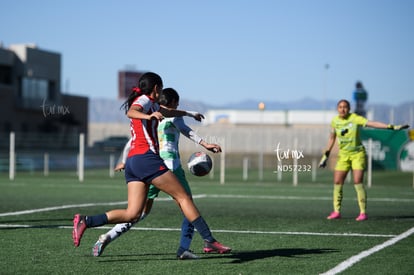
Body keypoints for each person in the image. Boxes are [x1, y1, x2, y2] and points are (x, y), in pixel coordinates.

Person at [72, 72, 231, 256]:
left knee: (133, 214)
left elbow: (170, 112)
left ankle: (86, 221)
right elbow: (131, 111)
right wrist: (149, 117)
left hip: (133, 163)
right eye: (161, 88)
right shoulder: (145, 100)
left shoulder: (153, 104)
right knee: (184, 198)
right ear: (156, 88)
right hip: (147, 159)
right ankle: (209, 241)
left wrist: (189, 113)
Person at [319, 99, 409, 221]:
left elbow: (373, 123)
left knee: (357, 181)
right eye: (340, 107)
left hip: (357, 154)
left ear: (349, 109)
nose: (342, 109)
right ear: (337, 109)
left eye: (345, 107)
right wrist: (325, 156)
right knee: (337, 182)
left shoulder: (355, 118)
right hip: (343, 156)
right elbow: (331, 139)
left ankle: (362, 212)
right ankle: (336, 211)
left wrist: (391, 127)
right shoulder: (334, 121)